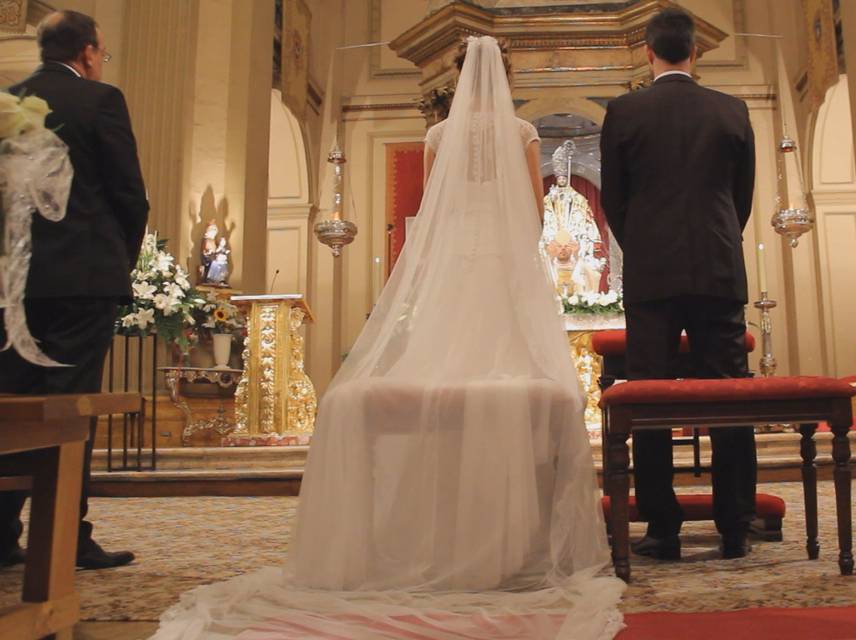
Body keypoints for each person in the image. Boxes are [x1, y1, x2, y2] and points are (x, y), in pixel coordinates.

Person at [151, 36, 623, 640]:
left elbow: (433, 206)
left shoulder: (437, 135)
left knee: (444, 373)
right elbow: (532, 209)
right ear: (508, 78)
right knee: (504, 373)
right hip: (503, 257)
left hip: (453, 256)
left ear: (457, 76)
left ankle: (428, 524)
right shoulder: (523, 132)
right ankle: (504, 527)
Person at [600, 7, 757, 560]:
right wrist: (715, 240)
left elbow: (612, 200)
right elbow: (741, 198)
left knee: (649, 399)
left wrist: (644, 244)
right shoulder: (731, 109)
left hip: (651, 275)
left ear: (648, 52)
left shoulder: (623, 111)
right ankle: (735, 524)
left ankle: (662, 528)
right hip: (718, 268)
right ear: (696, 52)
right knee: (729, 396)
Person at [0, 10, 149, 570]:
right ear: (88, 52)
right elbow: (129, 194)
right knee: (69, 410)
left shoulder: (8, 103)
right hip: (82, 282)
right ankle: (66, 536)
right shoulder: (100, 100)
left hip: (13, 285)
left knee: (11, 408)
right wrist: (118, 261)